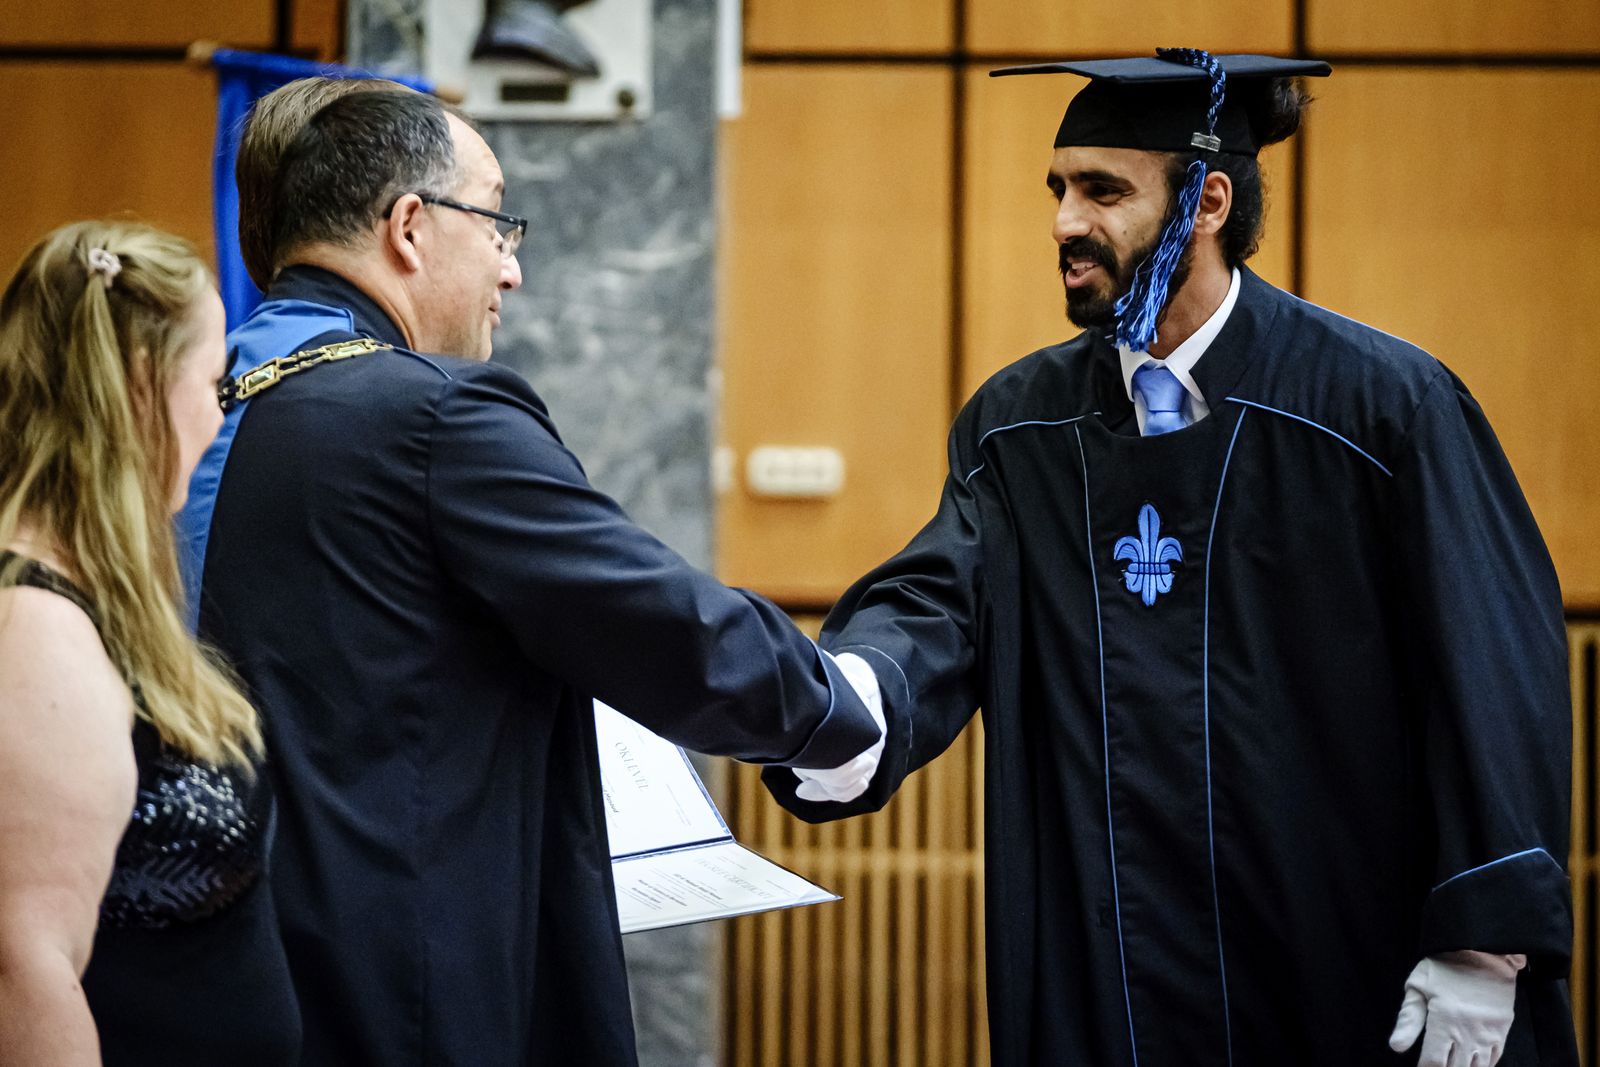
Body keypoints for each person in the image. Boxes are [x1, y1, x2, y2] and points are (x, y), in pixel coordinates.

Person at [764, 50, 1576, 1067]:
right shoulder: (1017, 427)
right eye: (1058, 189)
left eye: (1102, 191)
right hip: (1116, 959)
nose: (1065, 221)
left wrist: (1485, 932)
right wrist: (853, 695)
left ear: (1206, 202)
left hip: (1334, 942)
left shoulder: (1380, 409)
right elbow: (942, 601)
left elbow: (1493, 667)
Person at [187, 85, 883, 1065]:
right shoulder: (432, 416)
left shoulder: (194, 410)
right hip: (404, 997)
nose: (511, 268)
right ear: (410, 227)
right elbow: (661, 621)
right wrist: (839, 709)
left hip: (213, 975)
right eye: (496, 221)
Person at [0, 221, 299, 1064]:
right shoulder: (33, 628)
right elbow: (25, 969)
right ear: (141, 384)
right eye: (213, 382)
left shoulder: (91, 589)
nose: (220, 411)